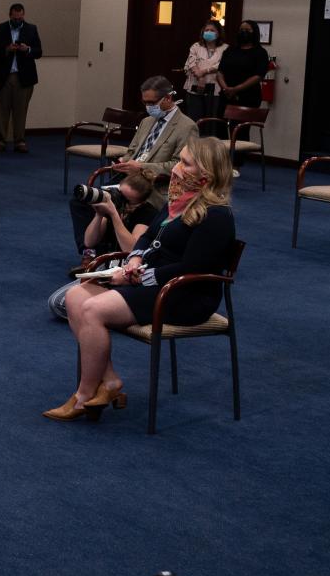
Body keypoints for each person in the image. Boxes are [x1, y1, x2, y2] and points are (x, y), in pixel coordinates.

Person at [45, 136, 236, 421]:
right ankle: (109, 383)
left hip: (186, 295)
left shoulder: (217, 216)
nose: (175, 170)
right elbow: (148, 236)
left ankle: (83, 396)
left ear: (206, 174)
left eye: (185, 163)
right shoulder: (179, 200)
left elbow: (191, 268)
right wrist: (134, 258)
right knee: (75, 297)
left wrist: (139, 277)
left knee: (92, 309)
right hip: (157, 282)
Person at [48, 168, 157, 320]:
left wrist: (114, 215)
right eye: (120, 195)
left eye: (128, 200)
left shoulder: (148, 213)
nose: (121, 201)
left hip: (127, 272)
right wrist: (100, 215)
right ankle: (103, 312)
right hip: (105, 268)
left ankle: (103, 312)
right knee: (57, 303)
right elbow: (89, 241)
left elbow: (132, 249)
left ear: (141, 202)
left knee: (67, 306)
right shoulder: (114, 205)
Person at [104, 75, 198, 192]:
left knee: (104, 201)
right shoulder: (146, 121)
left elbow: (181, 166)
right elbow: (132, 151)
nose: (148, 107)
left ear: (168, 98)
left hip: (154, 183)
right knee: (84, 199)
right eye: (145, 102)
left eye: (151, 103)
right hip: (130, 177)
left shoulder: (187, 127)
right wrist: (123, 161)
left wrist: (141, 167)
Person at [0, 3, 43, 153]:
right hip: (3, 76)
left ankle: (19, 141)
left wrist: (27, 49)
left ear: (24, 15)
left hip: (23, 76)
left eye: (20, 17)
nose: (18, 20)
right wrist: (6, 49)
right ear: (10, 15)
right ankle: (1, 140)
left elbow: (39, 51)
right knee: (1, 110)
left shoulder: (31, 29)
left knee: (21, 110)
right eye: (15, 18)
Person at [181, 19, 226, 127]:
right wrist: (200, 78)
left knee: (211, 123)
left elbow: (220, 65)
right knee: (194, 123)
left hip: (215, 91)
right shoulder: (196, 46)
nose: (209, 32)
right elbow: (191, 63)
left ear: (218, 33)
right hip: (195, 88)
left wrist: (204, 71)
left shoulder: (225, 48)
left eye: (212, 30)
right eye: (207, 30)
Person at [217, 18, 269, 111]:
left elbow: (258, 76)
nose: (243, 32)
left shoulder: (260, 52)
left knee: (241, 125)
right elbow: (220, 72)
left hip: (248, 97)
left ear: (254, 32)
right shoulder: (230, 50)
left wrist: (236, 89)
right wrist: (226, 88)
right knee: (220, 124)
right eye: (241, 30)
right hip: (226, 95)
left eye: (247, 30)